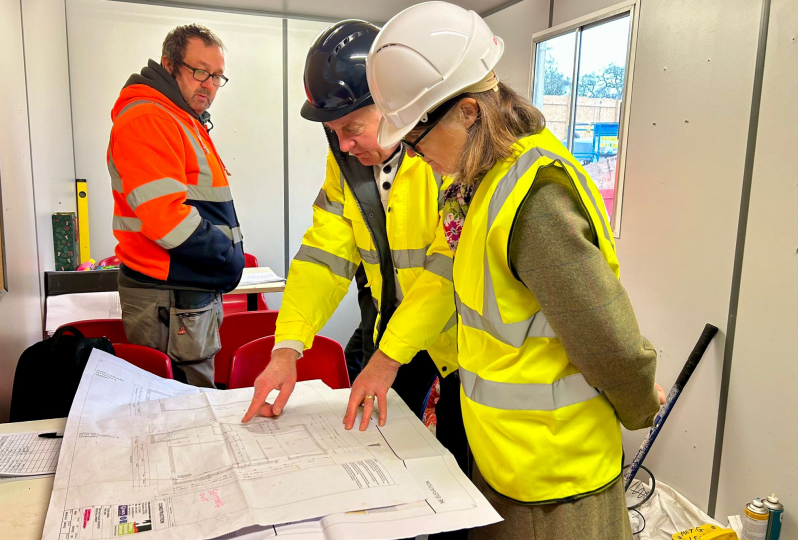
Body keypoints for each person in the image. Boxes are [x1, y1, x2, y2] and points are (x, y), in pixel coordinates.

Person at [356, 3, 665, 539]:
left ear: (469, 112)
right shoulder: (475, 187)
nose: (411, 153)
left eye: (416, 136)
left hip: (557, 481)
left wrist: (641, 403)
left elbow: (606, 337)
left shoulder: (536, 198)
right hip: (503, 461)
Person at [241, 18, 469, 502]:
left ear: (394, 106)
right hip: (397, 335)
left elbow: (443, 274)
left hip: (464, 350)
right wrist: (288, 348)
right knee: (391, 467)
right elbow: (322, 257)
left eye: (352, 129)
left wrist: (386, 358)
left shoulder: (447, 159)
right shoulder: (346, 161)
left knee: (456, 473)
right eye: (334, 133)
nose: (343, 145)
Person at [109, 24, 244, 388]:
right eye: (200, 71)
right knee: (181, 415)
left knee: (190, 409)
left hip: (182, 292)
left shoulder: (180, 116)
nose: (209, 85)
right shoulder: (150, 118)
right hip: (167, 296)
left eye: (217, 76)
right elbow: (166, 219)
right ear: (169, 65)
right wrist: (226, 252)